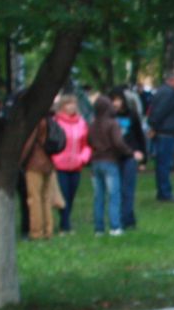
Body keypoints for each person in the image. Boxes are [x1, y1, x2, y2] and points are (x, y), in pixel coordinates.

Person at [86, 96, 130, 237]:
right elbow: (118, 142)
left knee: (99, 197)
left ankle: (99, 228)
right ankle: (115, 227)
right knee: (113, 195)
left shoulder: (92, 124)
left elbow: (89, 141)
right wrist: (129, 152)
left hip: (95, 161)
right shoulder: (112, 124)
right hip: (110, 161)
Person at [49, 94, 91, 235]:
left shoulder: (81, 123)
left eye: (74, 103)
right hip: (60, 165)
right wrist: (55, 159)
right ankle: (65, 225)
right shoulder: (56, 122)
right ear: (62, 106)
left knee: (71, 195)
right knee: (64, 195)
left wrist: (83, 158)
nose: (72, 106)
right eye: (68, 104)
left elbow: (86, 144)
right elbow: (52, 144)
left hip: (76, 164)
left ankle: (65, 221)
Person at [110, 87, 148, 230]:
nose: (116, 103)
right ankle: (120, 218)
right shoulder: (109, 117)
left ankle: (128, 219)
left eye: (118, 100)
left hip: (130, 155)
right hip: (113, 157)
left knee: (128, 189)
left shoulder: (131, 115)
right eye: (113, 100)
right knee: (116, 190)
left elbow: (139, 136)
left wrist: (143, 156)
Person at [20, 110, 59, 241]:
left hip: (34, 163)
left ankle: (36, 232)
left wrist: (19, 161)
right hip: (48, 163)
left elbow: (29, 144)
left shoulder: (36, 122)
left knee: (34, 199)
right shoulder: (50, 120)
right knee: (46, 198)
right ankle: (48, 230)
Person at [148, 69, 174, 202]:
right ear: (173, 79)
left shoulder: (162, 91)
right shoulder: (168, 93)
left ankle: (163, 191)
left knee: (163, 163)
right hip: (166, 132)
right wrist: (154, 125)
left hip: (164, 131)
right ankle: (165, 193)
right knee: (164, 163)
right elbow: (160, 111)